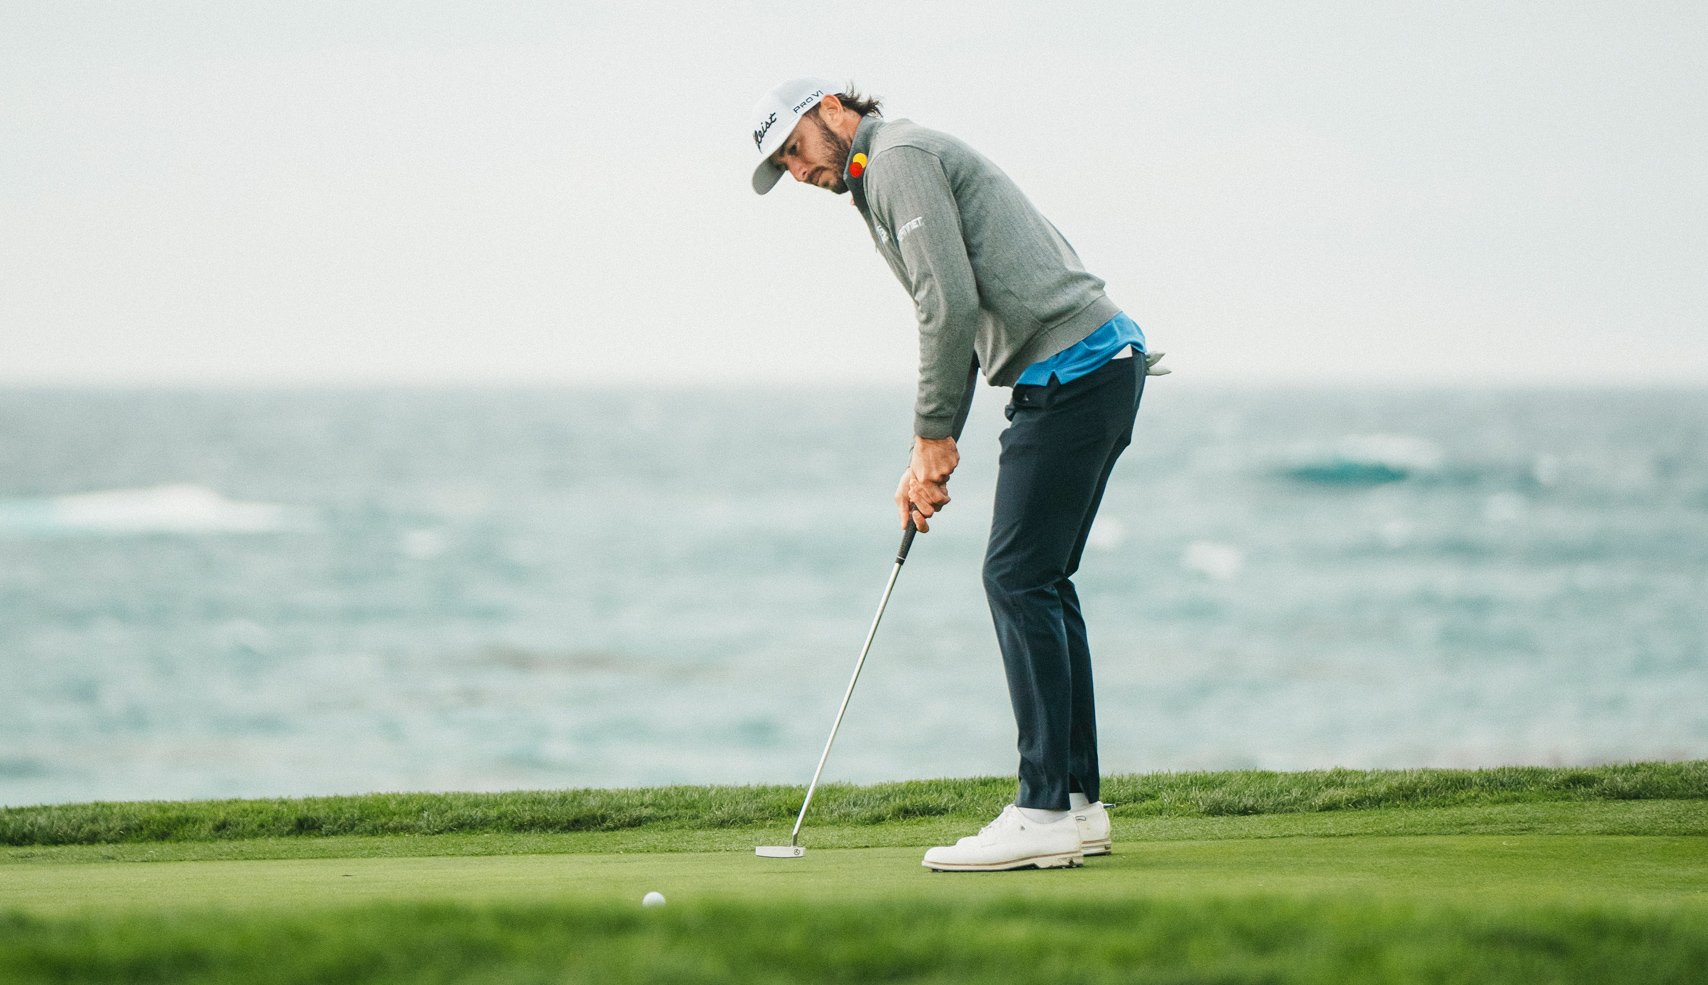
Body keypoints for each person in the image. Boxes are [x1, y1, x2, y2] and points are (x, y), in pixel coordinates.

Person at [749, 78, 1166, 872]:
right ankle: (1077, 805)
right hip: (1094, 367)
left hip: (1075, 371)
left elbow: (946, 302)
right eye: (785, 168)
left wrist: (932, 435)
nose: (798, 172)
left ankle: (1043, 809)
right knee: (1041, 579)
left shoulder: (896, 157)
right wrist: (929, 452)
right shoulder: (877, 179)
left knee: (1017, 578)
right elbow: (969, 307)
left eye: (795, 150)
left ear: (832, 109)